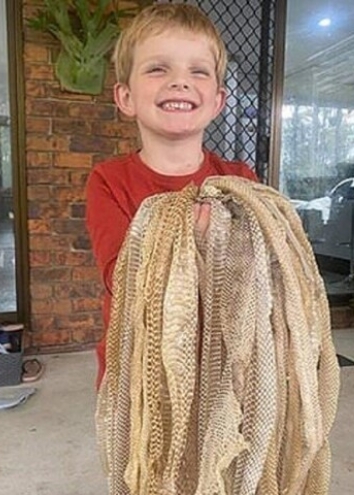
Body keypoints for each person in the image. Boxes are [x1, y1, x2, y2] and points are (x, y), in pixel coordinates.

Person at [85, 4, 257, 389]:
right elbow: (122, 277)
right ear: (125, 96)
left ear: (217, 101)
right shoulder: (108, 181)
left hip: (222, 375)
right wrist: (191, 235)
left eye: (198, 71)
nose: (180, 82)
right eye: (158, 68)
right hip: (137, 376)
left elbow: (258, 274)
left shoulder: (241, 180)